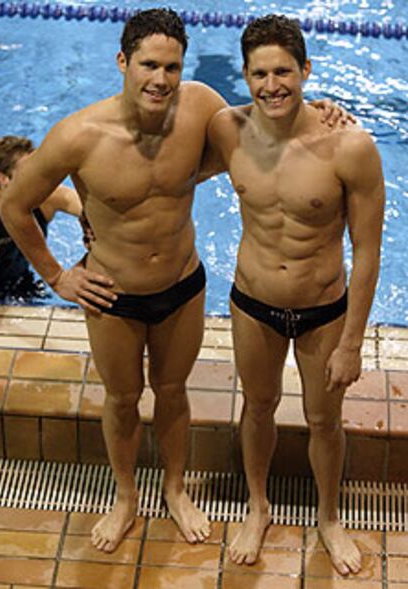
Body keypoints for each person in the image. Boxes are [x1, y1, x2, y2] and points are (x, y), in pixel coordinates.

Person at [0, 8, 350, 554]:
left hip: (183, 286)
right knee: (121, 399)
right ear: (123, 61)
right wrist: (57, 275)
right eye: (148, 65)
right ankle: (124, 498)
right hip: (112, 295)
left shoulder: (201, 107)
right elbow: (15, 204)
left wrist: (323, 110)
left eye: (171, 66)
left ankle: (176, 487)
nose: (160, 79)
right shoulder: (78, 136)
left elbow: (265, 128)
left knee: (172, 393)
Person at [208, 14, 384, 575]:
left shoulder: (349, 147)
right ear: (245, 75)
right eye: (259, 73)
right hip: (252, 301)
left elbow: (369, 249)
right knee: (256, 407)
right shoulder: (225, 129)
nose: (271, 85)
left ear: (306, 70)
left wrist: (352, 342)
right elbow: (162, 169)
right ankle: (258, 507)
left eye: (283, 71)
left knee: (324, 420)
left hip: (323, 311)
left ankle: (329, 518)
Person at [0, 135, 82, 301]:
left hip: (23, 284)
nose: (38, 177)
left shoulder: (47, 199)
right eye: (28, 171)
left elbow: (93, 209)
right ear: (4, 179)